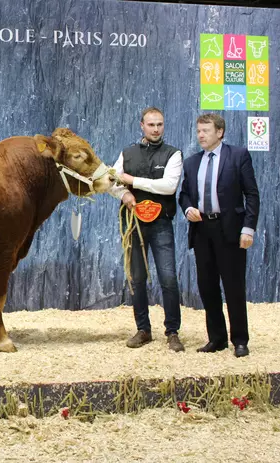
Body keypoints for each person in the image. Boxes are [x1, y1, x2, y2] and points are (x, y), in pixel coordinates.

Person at [179, 113, 259, 358]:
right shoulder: (191, 162)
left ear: (220, 132)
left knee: (234, 286)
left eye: (206, 131)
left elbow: (252, 195)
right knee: (207, 286)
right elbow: (184, 194)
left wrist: (248, 228)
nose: (200, 135)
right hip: (202, 230)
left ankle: (240, 340)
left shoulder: (238, 155)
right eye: (199, 131)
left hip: (231, 231)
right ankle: (217, 339)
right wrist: (188, 208)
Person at [110, 107, 185, 352]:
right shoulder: (127, 153)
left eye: (160, 125)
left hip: (161, 223)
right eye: (151, 125)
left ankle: (172, 332)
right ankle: (143, 330)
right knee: (137, 279)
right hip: (133, 224)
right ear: (142, 125)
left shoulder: (173, 154)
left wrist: (132, 181)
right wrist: (125, 194)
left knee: (168, 278)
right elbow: (111, 181)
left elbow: (169, 187)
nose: (155, 129)